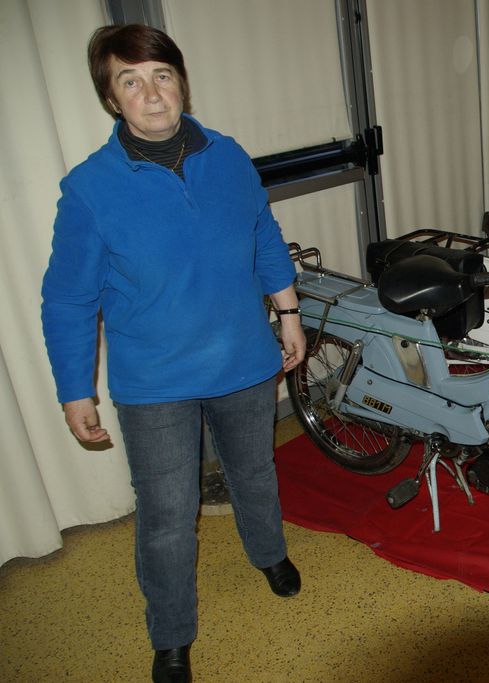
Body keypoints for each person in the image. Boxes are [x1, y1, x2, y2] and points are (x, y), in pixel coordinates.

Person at [40, 24, 307, 683]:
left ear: (181, 80)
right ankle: (171, 635)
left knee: (254, 473)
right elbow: (68, 300)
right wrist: (76, 389)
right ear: (111, 99)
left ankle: (268, 551)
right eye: (129, 80)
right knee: (165, 514)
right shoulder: (89, 190)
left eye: (160, 74)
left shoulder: (230, 155)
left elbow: (263, 233)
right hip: (154, 381)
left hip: (243, 360)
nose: (150, 92)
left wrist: (289, 308)